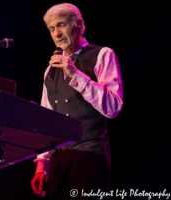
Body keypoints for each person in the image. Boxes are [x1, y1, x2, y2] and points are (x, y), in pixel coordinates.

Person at [31, 3, 123, 200]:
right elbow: (47, 117)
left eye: (61, 25)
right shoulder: (50, 70)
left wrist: (75, 74)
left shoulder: (102, 54)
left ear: (80, 25)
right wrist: (42, 164)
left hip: (90, 153)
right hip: (58, 158)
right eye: (51, 29)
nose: (56, 33)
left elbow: (113, 107)